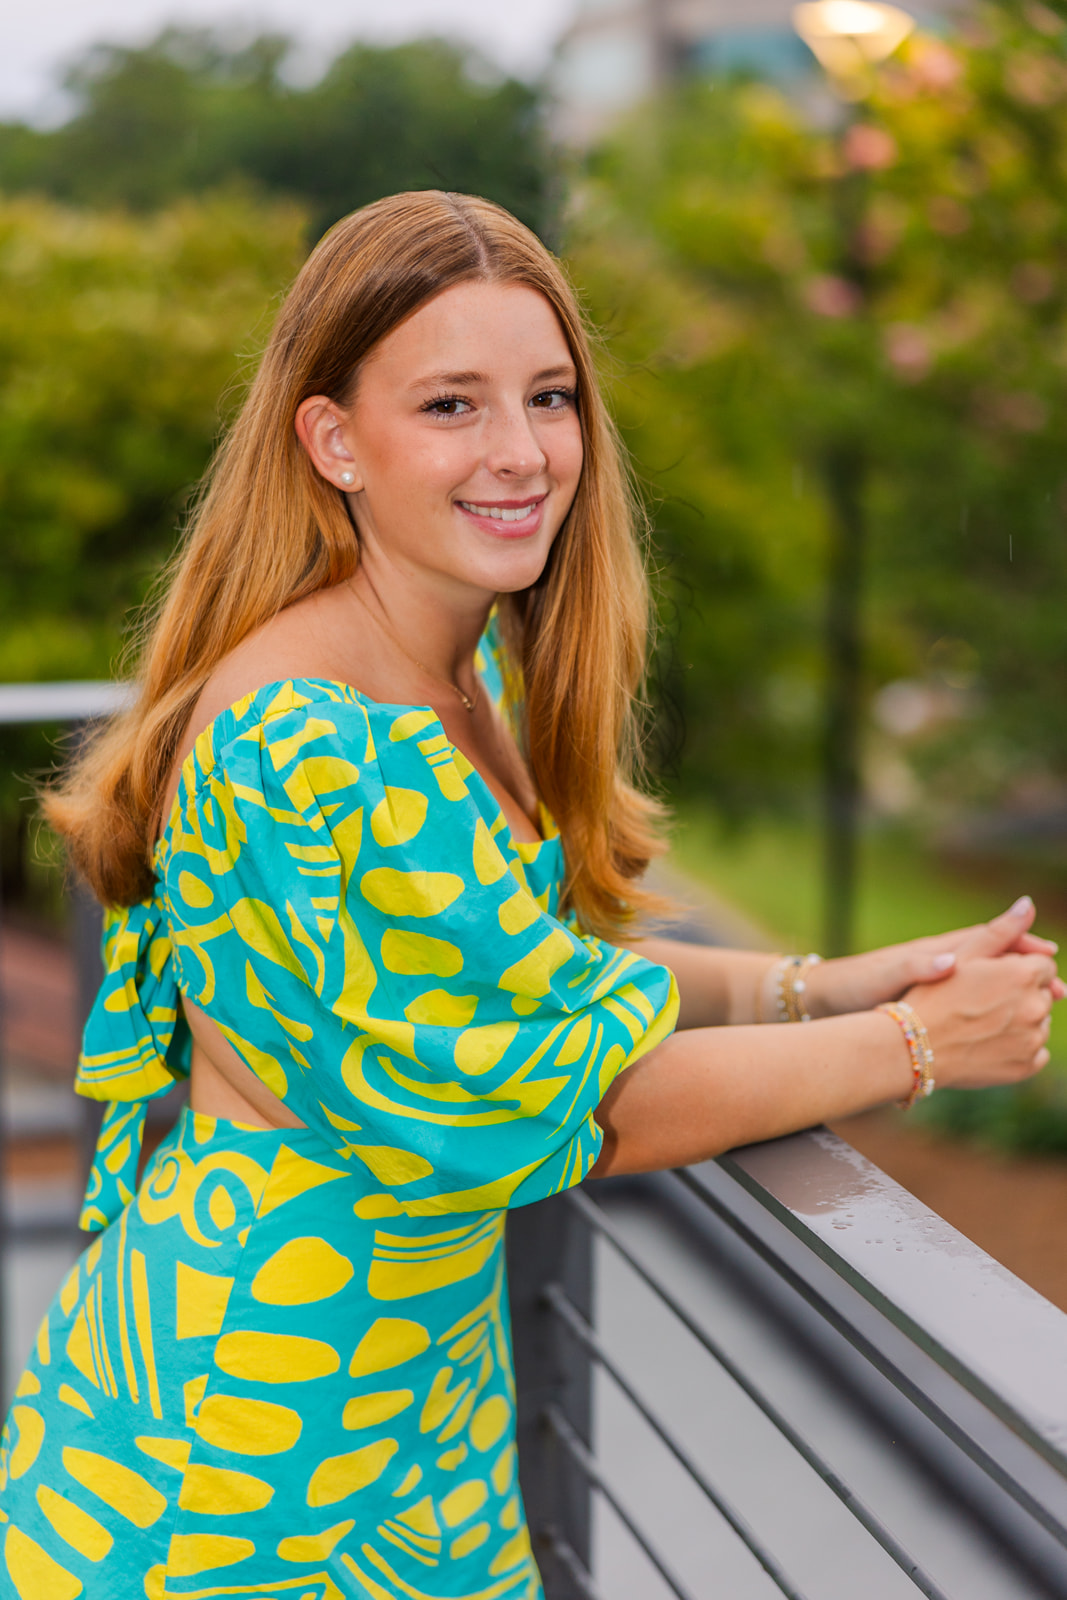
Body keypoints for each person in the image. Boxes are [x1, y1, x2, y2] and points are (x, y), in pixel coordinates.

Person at [0, 190, 1059, 1600]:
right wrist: (917, 1051)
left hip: (403, 1412)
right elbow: (562, 1100)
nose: (520, 453)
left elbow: (523, 977)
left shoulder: (457, 671)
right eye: (451, 404)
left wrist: (819, 984)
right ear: (333, 441)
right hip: (245, 1454)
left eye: (548, 396)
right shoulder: (305, 742)